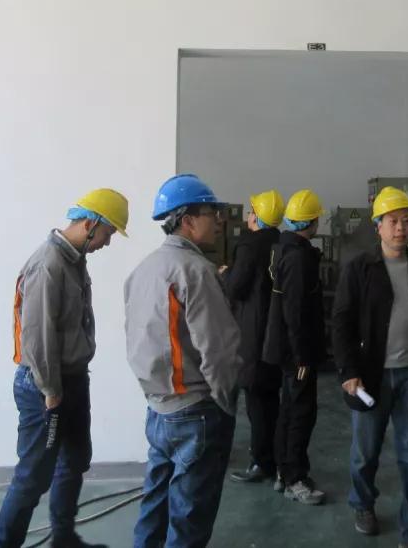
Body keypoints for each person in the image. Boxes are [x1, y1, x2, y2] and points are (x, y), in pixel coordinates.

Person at [0, 189, 129, 548]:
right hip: (45, 386)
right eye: (107, 234)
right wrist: (51, 391)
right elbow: (37, 337)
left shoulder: (74, 259)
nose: (107, 243)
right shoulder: (48, 264)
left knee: (74, 460)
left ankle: (64, 539)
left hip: (72, 378)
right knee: (33, 476)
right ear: (90, 224)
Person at [125, 174, 242, 548]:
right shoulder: (196, 270)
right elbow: (219, 350)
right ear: (188, 219)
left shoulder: (144, 268)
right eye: (211, 213)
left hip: (158, 408)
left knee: (155, 504)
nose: (218, 221)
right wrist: (225, 402)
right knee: (189, 518)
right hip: (195, 410)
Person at [333, 187, 408, 548]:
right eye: (393, 221)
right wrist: (349, 371)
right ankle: (362, 503)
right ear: (378, 226)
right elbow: (342, 322)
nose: (401, 228)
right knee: (365, 452)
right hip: (371, 376)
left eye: (407, 221)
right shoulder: (360, 269)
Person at [262, 188, 327, 504]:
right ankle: (294, 478)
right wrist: (302, 355)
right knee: (301, 413)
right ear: (312, 222)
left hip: (285, 347)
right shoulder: (299, 258)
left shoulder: (282, 249)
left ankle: (283, 471)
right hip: (296, 351)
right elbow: (296, 311)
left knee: (288, 410)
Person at [224, 189, 285, 484]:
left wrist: (227, 274)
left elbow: (236, 288)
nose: (248, 216)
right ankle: (273, 456)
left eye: (252, 212)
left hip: (253, 332)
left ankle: (261, 462)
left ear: (257, 218)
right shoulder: (282, 244)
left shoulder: (249, 245)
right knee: (271, 399)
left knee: (256, 401)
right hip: (276, 333)